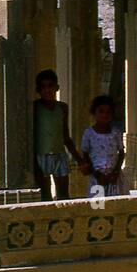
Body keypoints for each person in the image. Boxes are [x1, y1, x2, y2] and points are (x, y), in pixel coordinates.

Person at [33, 69, 80, 199]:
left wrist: (79, 160)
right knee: (45, 195)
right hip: (41, 157)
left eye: (50, 86)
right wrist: (34, 163)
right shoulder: (35, 108)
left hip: (60, 155)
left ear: (57, 87)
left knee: (64, 194)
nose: (47, 90)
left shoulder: (62, 108)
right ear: (38, 90)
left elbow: (65, 136)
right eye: (43, 87)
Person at [79, 94, 129, 197]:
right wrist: (96, 174)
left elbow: (121, 153)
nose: (104, 115)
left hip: (114, 178)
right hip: (97, 178)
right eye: (101, 111)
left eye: (108, 112)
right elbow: (85, 154)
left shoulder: (116, 133)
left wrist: (115, 172)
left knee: (115, 206)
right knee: (98, 207)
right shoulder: (89, 133)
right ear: (94, 112)